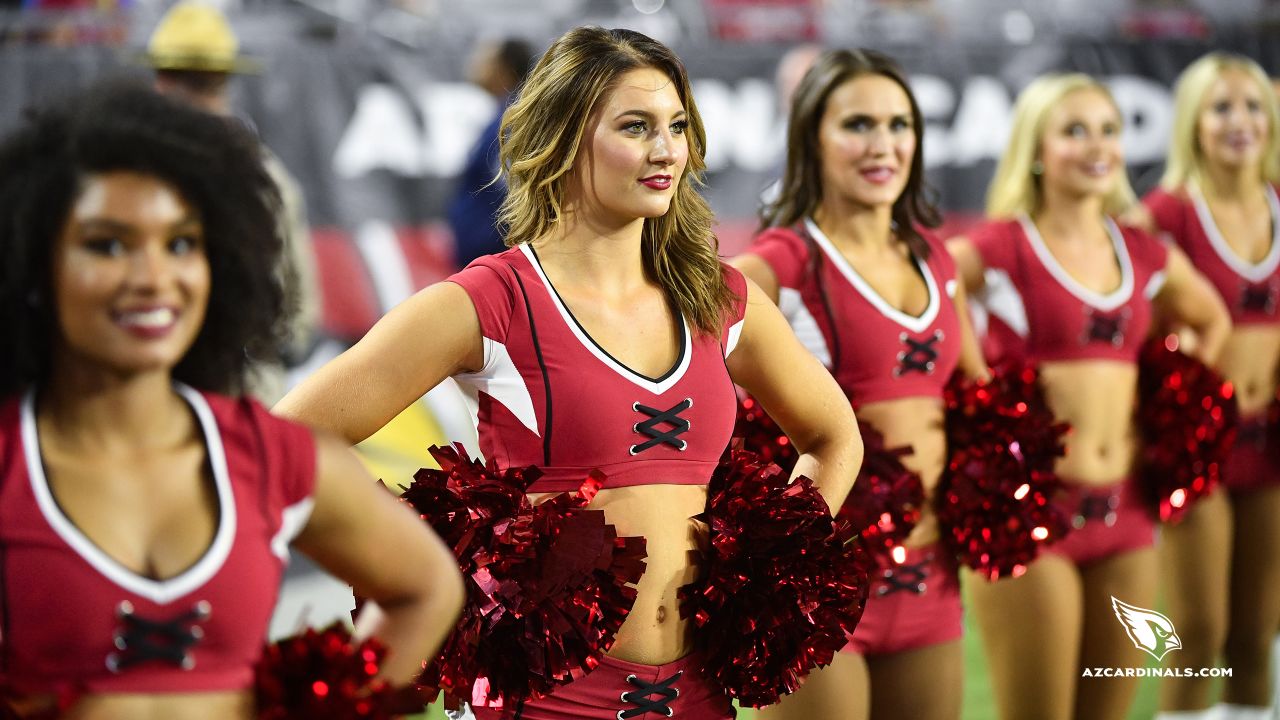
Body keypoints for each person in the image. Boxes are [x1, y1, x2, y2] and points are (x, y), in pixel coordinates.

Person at [276, 26, 862, 720]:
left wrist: (772, 567)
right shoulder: (492, 301)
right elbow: (285, 439)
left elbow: (832, 437)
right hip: (541, 702)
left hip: (700, 696)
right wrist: (414, 567)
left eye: (677, 126)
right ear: (562, 138)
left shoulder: (720, 297)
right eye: (636, 126)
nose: (665, 149)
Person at [0, 82, 464, 719]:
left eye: (181, 243)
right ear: (33, 262)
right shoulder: (9, 461)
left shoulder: (267, 453)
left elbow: (427, 587)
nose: (153, 278)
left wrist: (332, 705)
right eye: (107, 244)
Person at [947, 73, 1231, 720]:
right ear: (1037, 150)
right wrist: (980, 387)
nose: (1097, 145)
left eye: (1109, 129)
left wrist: (1173, 404)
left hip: (1125, 515)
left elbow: (1210, 319)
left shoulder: (1142, 252)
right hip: (1033, 518)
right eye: (1074, 130)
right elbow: (933, 290)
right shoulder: (1003, 246)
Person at [735, 48, 987, 720]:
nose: (883, 145)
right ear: (811, 138)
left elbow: (984, 404)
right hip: (823, 584)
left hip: (931, 578)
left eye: (899, 125)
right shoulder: (777, 265)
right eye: (858, 125)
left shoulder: (935, 255)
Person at [1137, 53, 1280, 720]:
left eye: (1253, 105)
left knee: (1257, 635)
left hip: (1272, 446)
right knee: (1198, 634)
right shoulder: (1164, 215)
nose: (1241, 121)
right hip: (1200, 449)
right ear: (1192, 123)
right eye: (1221, 107)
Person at [144, 0, 320, 404]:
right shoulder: (267, 171)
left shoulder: (140, 171)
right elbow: (299, 293)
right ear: (223, 78)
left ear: (162, 79)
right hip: (251, 380)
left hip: (165, 379)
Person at [447, 37, 536, 268]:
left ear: (502, 67)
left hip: (498, 257)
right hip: (488, 255)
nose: (475, 63)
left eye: (484, 58)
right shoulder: (503, 114)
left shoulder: (514, 120)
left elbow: (515, 192)